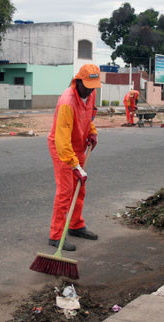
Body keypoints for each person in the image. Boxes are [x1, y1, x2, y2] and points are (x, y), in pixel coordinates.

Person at [47, 64, 101, 251]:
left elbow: (89, 117)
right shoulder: (66, 103)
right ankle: (55, 235)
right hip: (62, 148)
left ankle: (76, 225)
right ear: (77, 81)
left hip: (79, 145)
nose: (90, 89)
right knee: (65, 192)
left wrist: (92, 132)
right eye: (86, 85)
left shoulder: (91, 93)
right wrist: (75, 166)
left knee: (80, 188)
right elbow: (62, 142)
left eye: (93, 86)